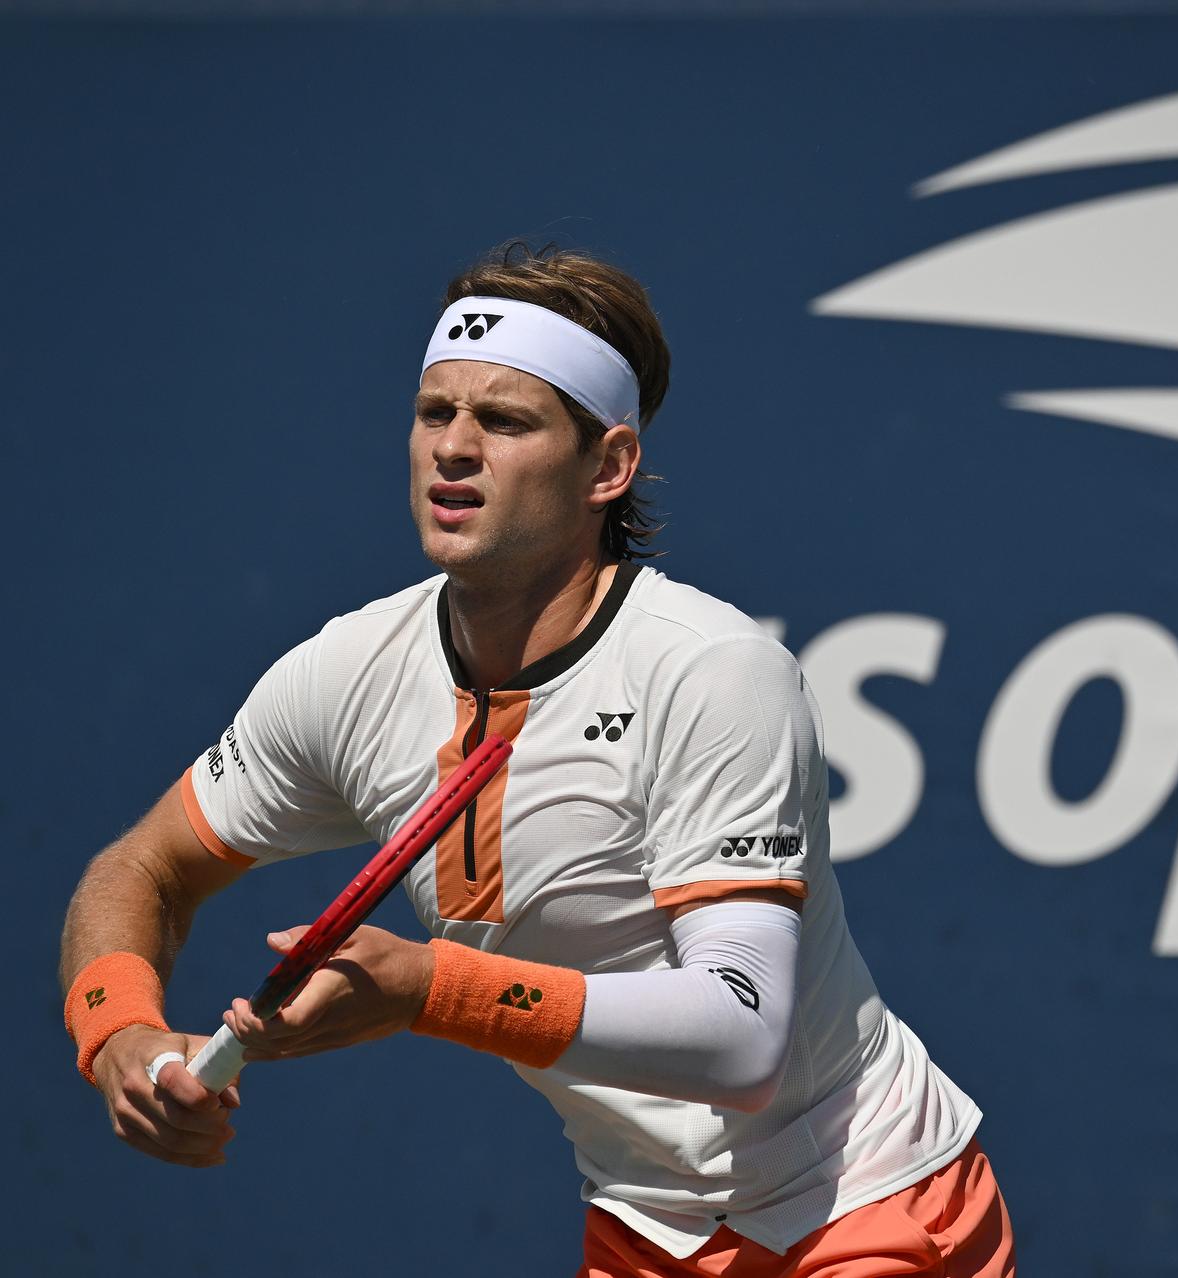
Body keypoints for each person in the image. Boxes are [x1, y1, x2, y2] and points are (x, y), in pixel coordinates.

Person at [58, 244, 1015, 1277]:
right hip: (645, 1231)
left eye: (504, 422)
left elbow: (744, 1038)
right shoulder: (347, 671)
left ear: (607, 466)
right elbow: (143, 868)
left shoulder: (715, 673)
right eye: (435, 413)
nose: (453, 450)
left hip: (867, 1205)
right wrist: (126, 1043)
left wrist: (427, 988)